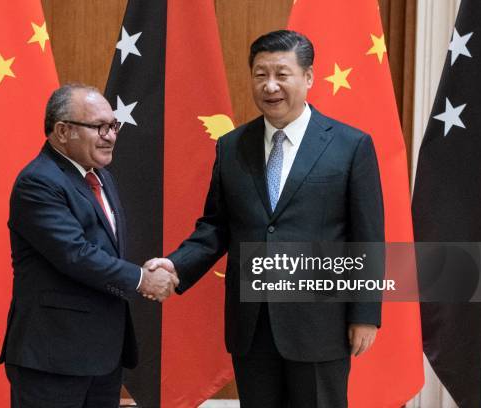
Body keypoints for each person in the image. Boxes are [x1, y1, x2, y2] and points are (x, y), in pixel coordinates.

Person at [148, 30, 384, 407]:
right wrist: (175, 266)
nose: (270, 86)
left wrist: (366, 314)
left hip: (319, 325)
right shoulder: (231, 146)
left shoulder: (350, 145)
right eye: (260, 75)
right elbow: (215, 227)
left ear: (308, 77)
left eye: (281, 74)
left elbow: (368, 237)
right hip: (252, 327)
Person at [0, 84, 178, 408]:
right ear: (63, 131)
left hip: (103, 356)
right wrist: (141, 278)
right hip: (53, 357)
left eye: (113, 126)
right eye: (99, 127)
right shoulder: (38, 182)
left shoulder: (101, 177)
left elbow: (105, 251)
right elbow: (75, 254)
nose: (110, 135)